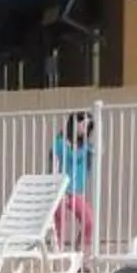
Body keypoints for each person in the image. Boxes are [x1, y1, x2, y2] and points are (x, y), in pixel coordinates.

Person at [52, 109, 95, 255]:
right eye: (83, 125)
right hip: (61, 190)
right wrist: (57, 188)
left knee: (89, 220)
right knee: (60, 221)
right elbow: (54, 166)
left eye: (88, 127)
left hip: (76, 191)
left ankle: (81, 251)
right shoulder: (60, 142)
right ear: (75, 124)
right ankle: (57, 253)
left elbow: (88, 168)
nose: (85, 129)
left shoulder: (87, 147)